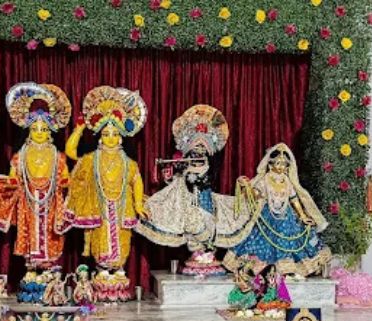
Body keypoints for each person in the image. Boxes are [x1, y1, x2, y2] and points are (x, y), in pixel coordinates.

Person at [136, 105, 251, 276]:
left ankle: (207, 251)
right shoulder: (184, 163)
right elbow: (175, 177)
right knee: (190, 222)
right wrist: (175, 172)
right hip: (187, 196)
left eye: (203, 150)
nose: (199, 153)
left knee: (209, 221)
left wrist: (199, 175)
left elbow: (208, 175)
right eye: (196, 150)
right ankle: (196, 251)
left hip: (204, 194)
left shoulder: (207, 164)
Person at [0, 83, 72, 268]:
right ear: (29, 131)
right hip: (28, 201)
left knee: (49, 233)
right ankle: (31, 267)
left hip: (51, 202)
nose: (39, 133)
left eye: (43, 129)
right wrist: (11, 180)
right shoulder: (21, 155)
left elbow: (65, 178)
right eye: (35, 129)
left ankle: (48, 268)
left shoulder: (57, 155)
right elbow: (13, 177)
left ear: (50, 132)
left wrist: (65, 180)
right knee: (31, 231)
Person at [65, 86, 148, 301]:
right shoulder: (91, 159)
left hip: (122, 208)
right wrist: (79, 129)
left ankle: (119, 269)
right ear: (100, 137)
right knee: (101, 238)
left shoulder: (129, 163)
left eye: (114, 134)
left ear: (121, 137)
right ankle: (102, 270)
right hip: (99, 208)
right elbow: (71, 152)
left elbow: (136, 181)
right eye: (106, 134)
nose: (110, 138)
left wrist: (139, 204)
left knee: (122, 239)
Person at [225, 143, 331, 276]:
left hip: (286, 216)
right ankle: (259, 268)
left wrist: (303, 215)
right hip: (267, 215)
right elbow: (256, 194)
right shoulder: (265, 179)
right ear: (270, 165)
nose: (281, 167)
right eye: (278, 163)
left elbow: (294, 199)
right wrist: (247, 187)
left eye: (284, 164)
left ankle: (289, 268)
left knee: (292, 238)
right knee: (258, 239)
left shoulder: (287, 181)